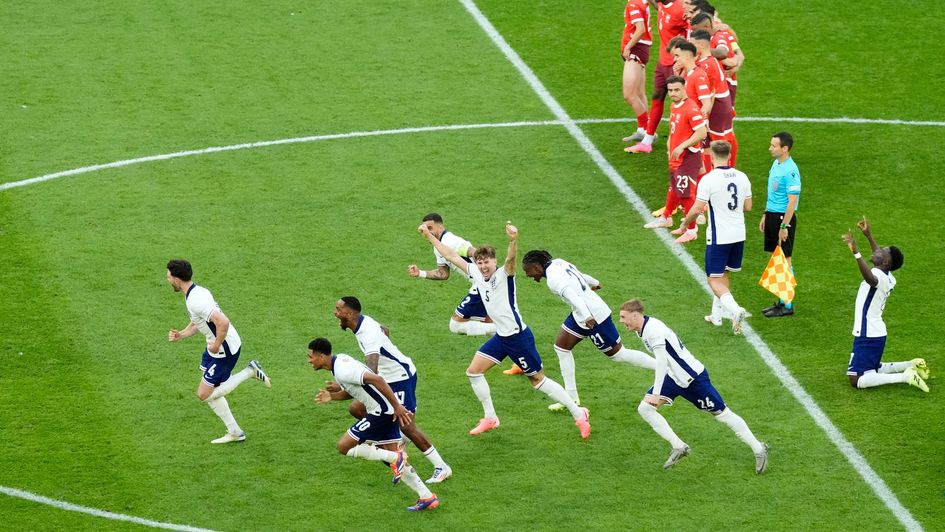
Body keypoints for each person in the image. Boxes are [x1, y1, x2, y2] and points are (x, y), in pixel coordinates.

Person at [418, 222, 591, 439]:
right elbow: (451, 255)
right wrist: (429, 237)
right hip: (502, 336)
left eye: (487, 262)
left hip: (518, 338)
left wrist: (513, 240)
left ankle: (578, 414)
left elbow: (511, 260)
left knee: (538, 381)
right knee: (473, 372)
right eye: (479, 262)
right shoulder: (476, 274)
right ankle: (490, 418)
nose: (483, 266)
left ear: (494, 261)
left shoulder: (504, 274)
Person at [618, 299, 769, 473]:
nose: (621, 321)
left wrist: (656, 393)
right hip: (674, 378)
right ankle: (679, 446)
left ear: (635, 316)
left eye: (623, 317)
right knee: (645, 409)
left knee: (723, 414)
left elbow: (661, 362)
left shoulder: (652, 331)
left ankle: (759, 449)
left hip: (693, 380)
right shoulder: (643, 328)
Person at [307, 337, 440, 512]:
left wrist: (397, 406)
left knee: (344, 446)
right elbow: (358, 390)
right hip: (385, 411)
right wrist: (333, 395)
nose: (309, 360)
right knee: (391, 457)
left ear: (322, 356)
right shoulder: (339, 364)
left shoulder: (343, 369)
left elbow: (378, 380)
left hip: (381, 412)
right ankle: (427, 496)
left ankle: (396, 459)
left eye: (311, 356)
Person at [334, 296, 452, 483]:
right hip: (388, 378)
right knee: (357, 409)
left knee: (407, 425)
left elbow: (371, 371)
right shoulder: (365, 322)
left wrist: (343, 386)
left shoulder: (367, 334)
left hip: (400, 378)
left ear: (349, 313)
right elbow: (386, 331)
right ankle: (393, 437)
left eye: (338, 310)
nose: (336, 313)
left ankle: (442, 467)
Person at [522, 250, 655, 411]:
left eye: (527, 271)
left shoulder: (553, 280)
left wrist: (587, 316)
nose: (528, 275)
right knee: (561, 348)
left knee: (618, 355)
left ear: (536, 267)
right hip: (581, 315)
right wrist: (595, 282)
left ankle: (663, 367)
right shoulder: (559, 262)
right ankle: (572, 398)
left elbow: (573, 297)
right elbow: (579, 275)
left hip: (593, 316)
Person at [166, 259, 271, 444]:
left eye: (168, 276)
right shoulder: (196, 292)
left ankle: (250, 371)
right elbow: (200, 321)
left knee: (204, 394)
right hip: (216, 348)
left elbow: (222, 322)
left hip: (224, 350)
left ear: (176, 279)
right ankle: (235, 432)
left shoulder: (195, 300)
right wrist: (181, 334)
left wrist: (216, 344)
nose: (167, 279)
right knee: (211, 389)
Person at [841, 219, 929, 392]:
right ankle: (911, 364)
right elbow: (878, 257)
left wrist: (856, 253)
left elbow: (870, 278)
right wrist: (868, 235)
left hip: (868, 332)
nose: (878, 250)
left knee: (856, 378)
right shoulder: (889, 276)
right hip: (875, 332)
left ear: (886, 263)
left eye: (883, 251)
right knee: (873, 368)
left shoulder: (878, 276)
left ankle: (906, 376)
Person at [679, 141, 751, 334]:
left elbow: (696, 208)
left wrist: (686, 223)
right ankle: (716, 316)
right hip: (739, 234)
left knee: (712, 279)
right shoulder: (743, 177)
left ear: (711, 156)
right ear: (729, 155)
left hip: (720, 236)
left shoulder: (709, 179)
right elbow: (748, 207)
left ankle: (736, 310)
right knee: (723, 274)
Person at [408, 213, 495, 336]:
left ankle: (505, 330)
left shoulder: (450, 240)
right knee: (489, 322)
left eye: (430, 228)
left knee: (456, 325)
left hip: (483, 283)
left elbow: (474, 252)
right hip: (483, 284)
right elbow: (443, 273)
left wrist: (488, 274)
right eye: (426, 229)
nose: (428, 232)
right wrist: (420, 273)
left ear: (440, 227)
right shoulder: (437, 247)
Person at [644, 75, 707, 244]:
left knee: (685, 194)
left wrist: (681, 147)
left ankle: (692, 230)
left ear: (684, 88)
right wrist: (670, 145)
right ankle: (666, 218)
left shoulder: (691, 109)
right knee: (674, 188)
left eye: (676, 90)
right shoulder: (674, 105)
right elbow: (676, 130)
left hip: (687, 157)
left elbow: (702, 133)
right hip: (675, 156)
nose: (673, 93)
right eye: (670, 90)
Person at [625, 0, 688, 154]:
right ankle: (647, 141)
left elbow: (695, 31)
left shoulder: (680, 10)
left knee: (680, 103)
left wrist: (685, 60)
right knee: (657, 98)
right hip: (662, 64)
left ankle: (685, 142)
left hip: (676, 65)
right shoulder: (661, 5)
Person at [760, 132, 801, 317]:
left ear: (785, 149)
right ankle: (781, 301)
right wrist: (765, 214)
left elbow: (792, 201)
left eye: (774, 146)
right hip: (772, 215)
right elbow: (772, 194)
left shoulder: (790, 171)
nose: (770, 148)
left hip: (783, 219)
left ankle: (788, 305)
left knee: (785, 260)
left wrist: (784, 227)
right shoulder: (776, 163)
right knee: (776, 259)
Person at [691, 30, 736, 169]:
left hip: (718, 109)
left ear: (701, 45)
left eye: (692, 44)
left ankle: (719, 174)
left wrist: (703, 118)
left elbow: (710, 95)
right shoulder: (712, 60)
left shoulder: (705, 65)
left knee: (715, 147)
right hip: (724, 107)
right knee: (726, 139)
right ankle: (730, 168)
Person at [621, 0, 653, 143]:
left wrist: (628, 47)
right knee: (639, 93)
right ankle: (643, 131)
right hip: (642, 49)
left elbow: (640, 29)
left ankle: (648, 131)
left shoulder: (633, 3)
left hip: (636, 49)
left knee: (629, 94)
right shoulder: (641, 2)